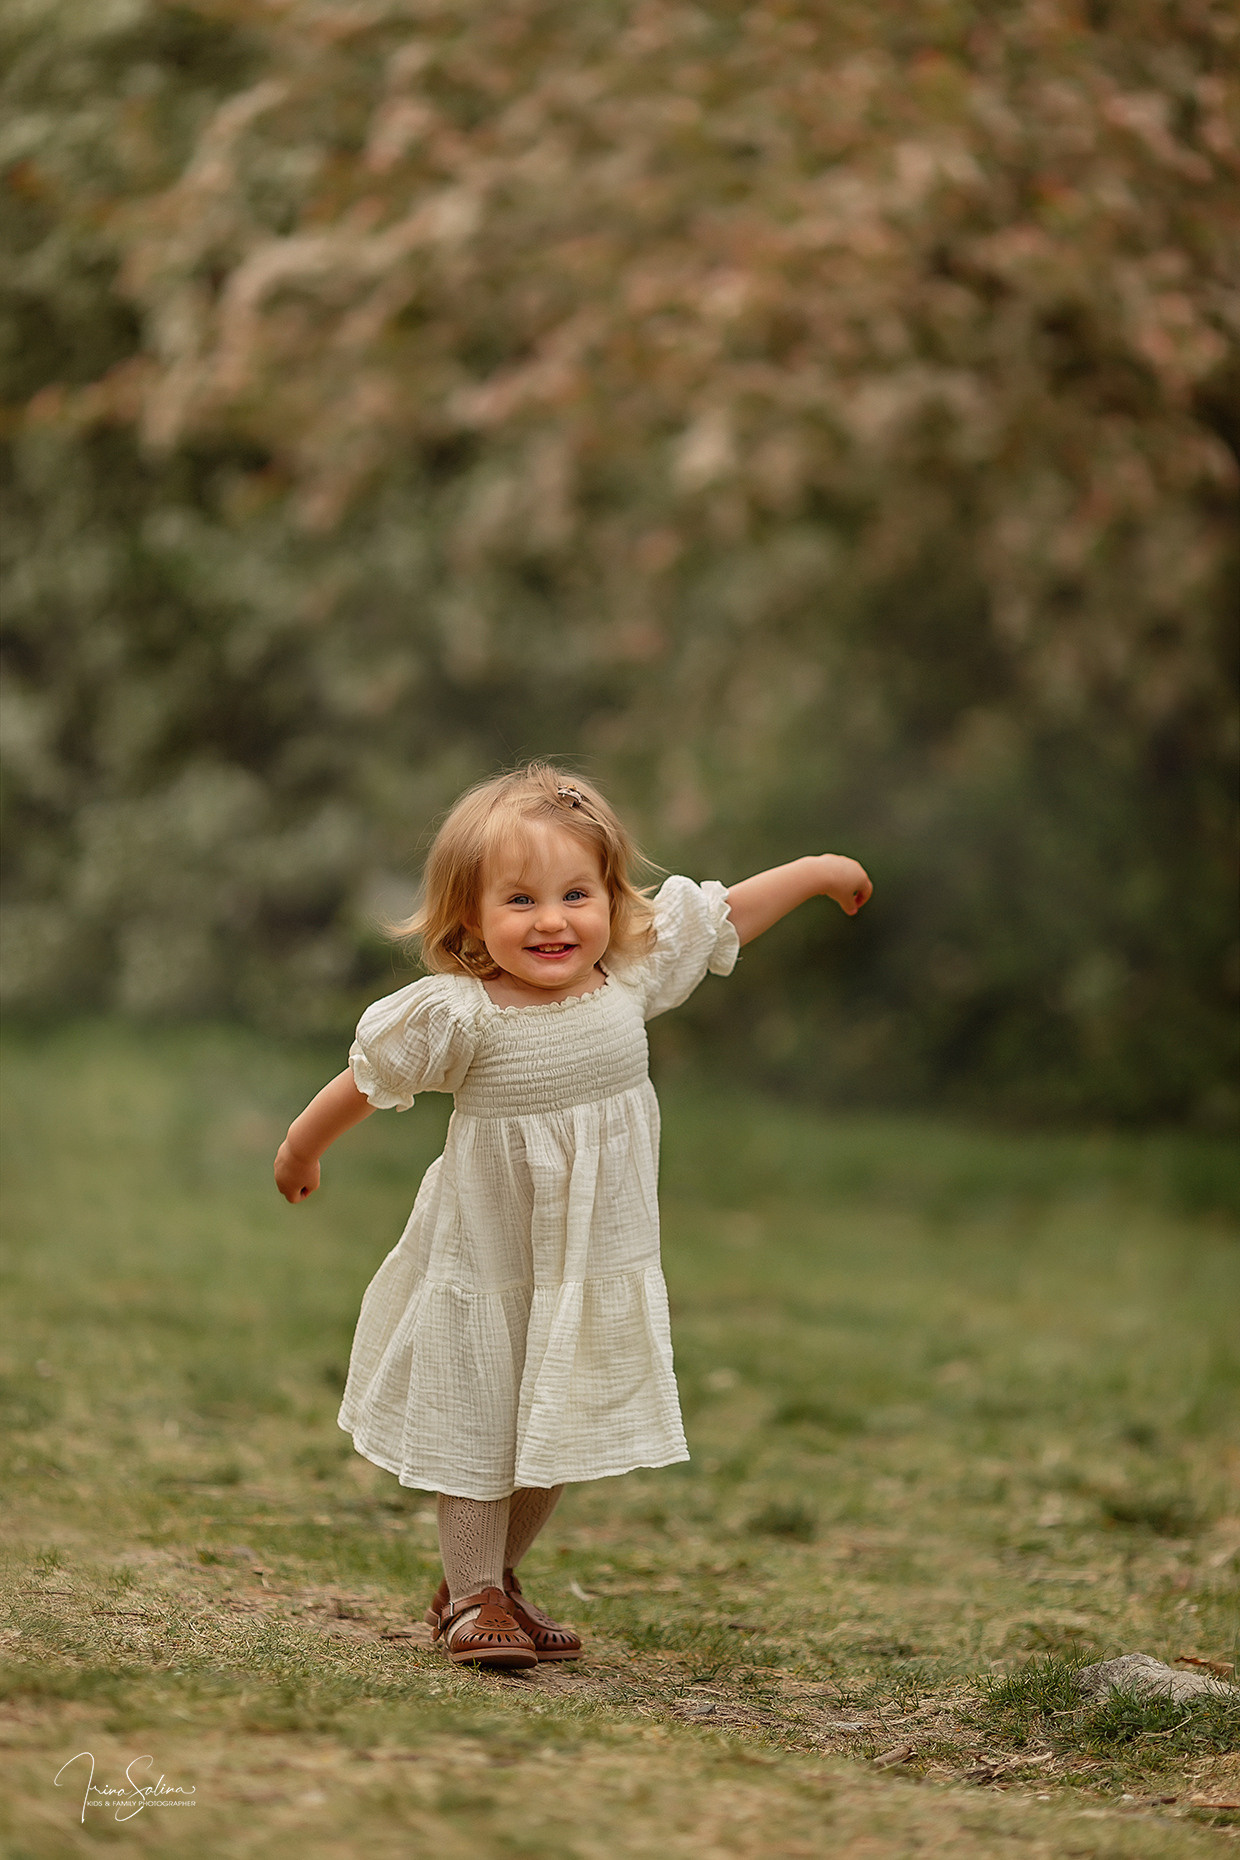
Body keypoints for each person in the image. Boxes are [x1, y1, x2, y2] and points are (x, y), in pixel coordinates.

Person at [274, 762, 871, 1669]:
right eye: (519, 900)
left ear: (611, 898)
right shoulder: (463, 1016)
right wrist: (301, 1147)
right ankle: (471, 1596)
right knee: (480, 1424)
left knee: (557, 1425)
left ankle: (495, 1580)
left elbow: (724, 916)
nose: (552, 920)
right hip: (488, 1261)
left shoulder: (627, 976)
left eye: (575, 895)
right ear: (469, 916)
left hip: (584, 1263)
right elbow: (365, 1081)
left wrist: (818, 871)